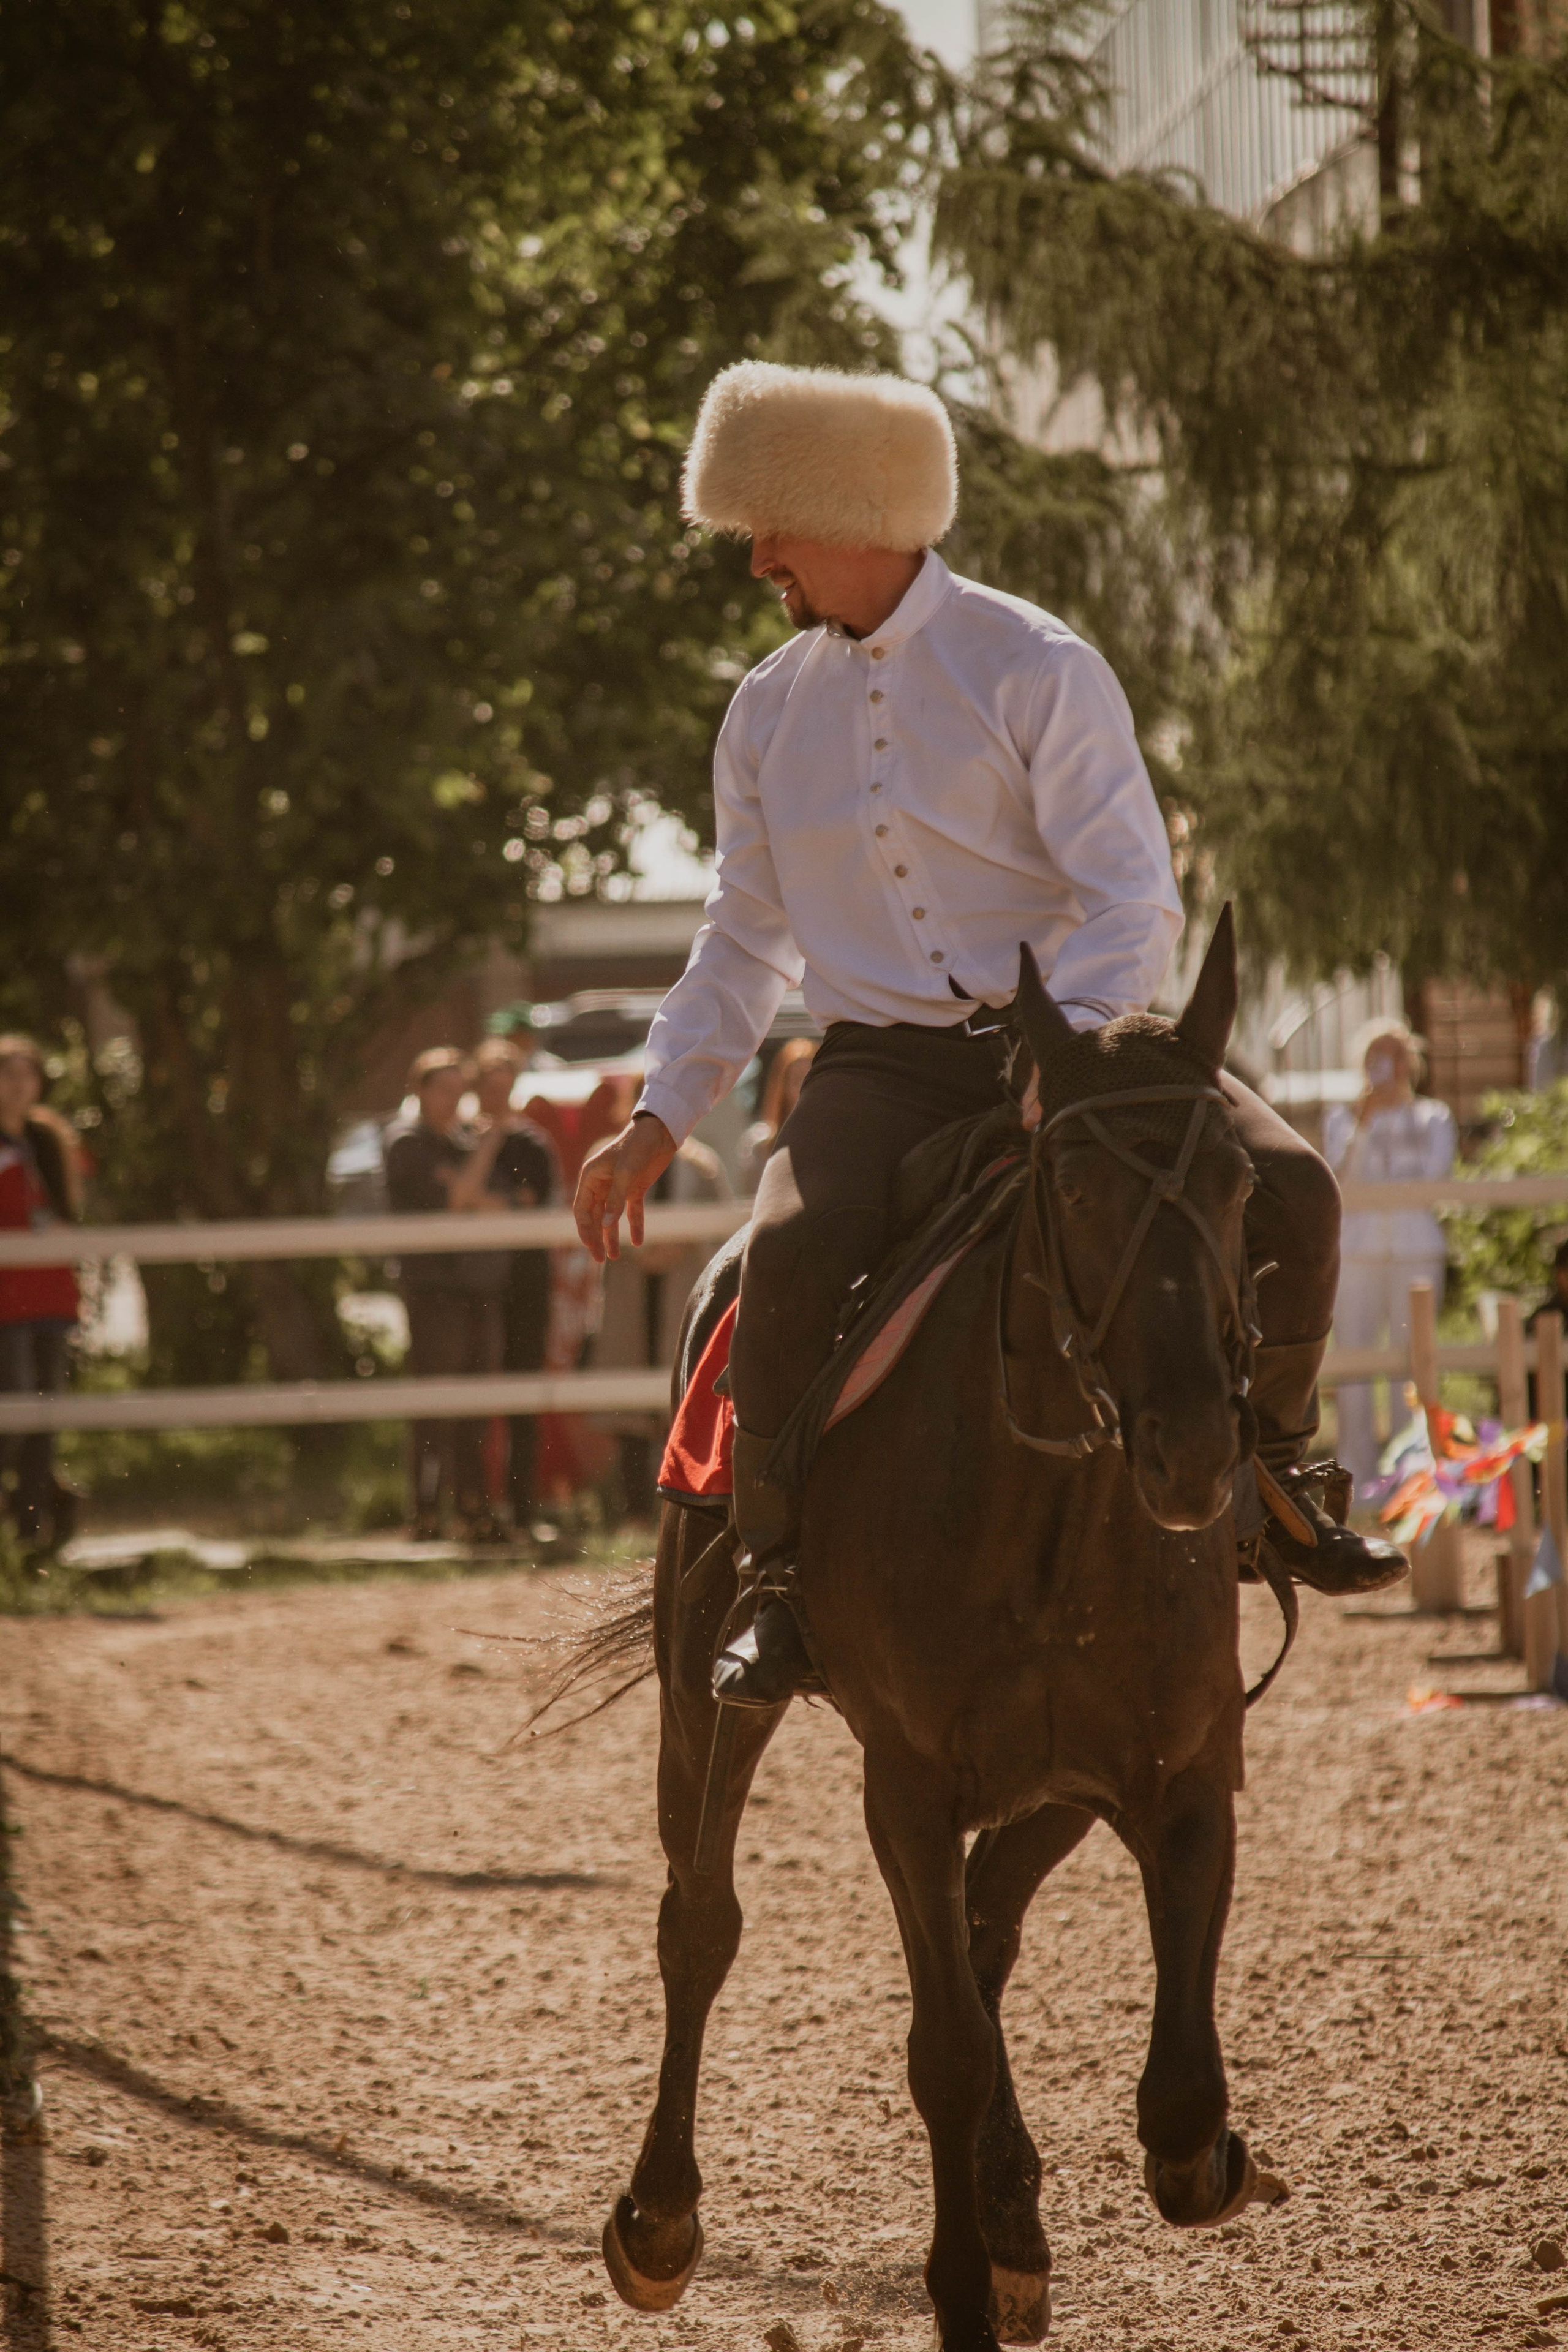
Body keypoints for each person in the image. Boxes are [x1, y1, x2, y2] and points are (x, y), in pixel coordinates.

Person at [574, 360, 1403, 1706]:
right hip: (881, 1065)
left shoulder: (1035, 666)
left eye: (766, 531)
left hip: (1086, 1040)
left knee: (1298, 1192)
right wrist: (658, 1114)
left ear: (848, 512)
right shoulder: (763, 711)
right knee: (782, 1262)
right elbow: (742, 936)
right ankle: (778, 1583)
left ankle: (1273, 1475)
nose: (756, 563)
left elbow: (1130, 898)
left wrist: (1061, 1062)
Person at [1323, 1021, 1457, 1496]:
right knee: (1355, 1359)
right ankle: (1357, 1476)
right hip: (1358, 1253)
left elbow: (1434, 1174)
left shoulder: (1435, 1116)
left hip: (1414, 1248)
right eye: (1379, 1055)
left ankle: (1411, 1472)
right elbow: (1335, 1177)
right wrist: (1364, 1122)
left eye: (1397, 1055)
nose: (1389, 1066)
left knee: (1411, 1359)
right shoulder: (1342, 1119)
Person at [590, 1075, 733, 1520]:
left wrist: (683, 1246)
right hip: (632, 1287)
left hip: (679, 1287)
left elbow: (724, 1229)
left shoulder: (702, 1164)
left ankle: (680, 1510)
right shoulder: (611, 1156)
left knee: (680, 1389)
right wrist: (639, 1251)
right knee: (629, 1405)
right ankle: (632, 1507)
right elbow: (593, 1213)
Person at [383, 1048, 510, 1543]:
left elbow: (497, 1204)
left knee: (476, 1403)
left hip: (471, 1287)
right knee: (435, 1403)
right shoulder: (408, 1142)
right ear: (419, 1089)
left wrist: (469, 1188)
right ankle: (426, 1512)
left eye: (460, 1091)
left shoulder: (457, 1142)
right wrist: (489, 1146)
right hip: (432, 1289)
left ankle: (473, 1509)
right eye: (444, 1090)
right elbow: (459, 1202)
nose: (454, 1101)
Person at [471, 1034, 561, 1533]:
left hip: (525, 1281)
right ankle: (476, 1510)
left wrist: (482, 1199)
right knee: (475, 1396)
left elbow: (531, 1199)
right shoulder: (463, 1138)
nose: (496, 1096)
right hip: (474, 1284)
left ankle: (524, 1508)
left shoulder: (530, 1142)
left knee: (525, 1395)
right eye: (489, 1086)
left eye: (505, 1086)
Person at [0, 1035, 83, 1554]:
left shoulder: (49, 1141)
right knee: (15, 1408)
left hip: (51, 1294)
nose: (18, 1084)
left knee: (45, 1416)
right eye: (8, 1073)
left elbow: (70, 1217)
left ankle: (32, 1538)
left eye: (27, 1073)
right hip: (5, 1300)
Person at [737, 1036, 818, 1193]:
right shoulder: (759, 1145)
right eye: (796, 1080)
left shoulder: (831, 1139)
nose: (803, 1089)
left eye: (810, 1080)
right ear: (782, 1087)